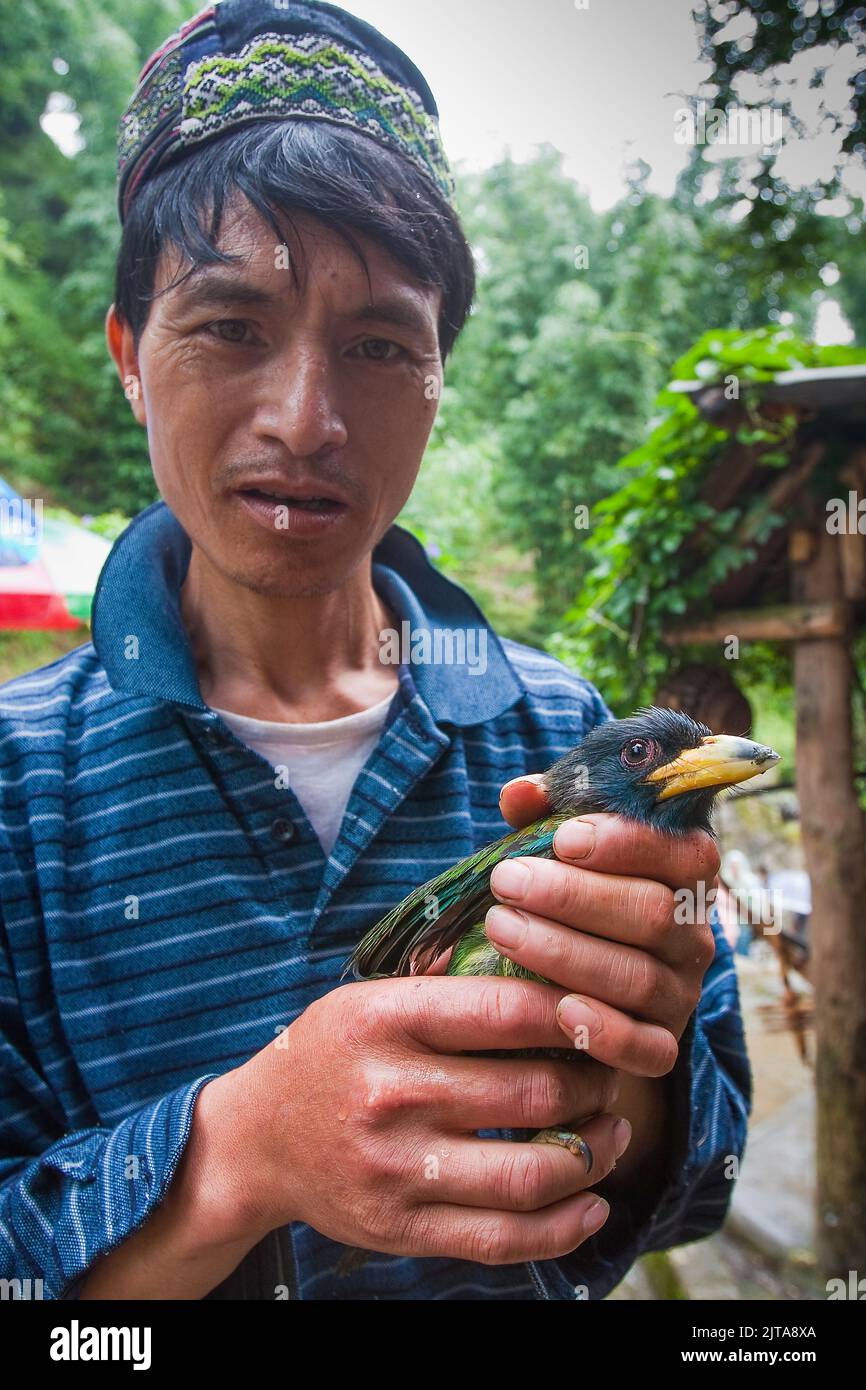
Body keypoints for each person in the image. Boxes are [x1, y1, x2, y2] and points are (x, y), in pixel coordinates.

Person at [0, 0, 750, 1301]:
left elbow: (704, 1177)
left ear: (440, 377)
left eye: (379, 345)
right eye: (230, 324)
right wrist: (235, 1160)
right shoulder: (13, 793)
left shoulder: (560, 722)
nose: (305, 419)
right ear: (128, 355)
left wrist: (631, 1045)